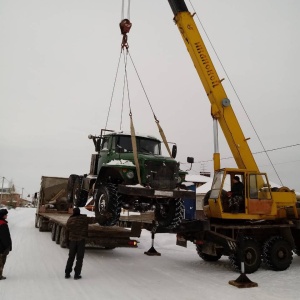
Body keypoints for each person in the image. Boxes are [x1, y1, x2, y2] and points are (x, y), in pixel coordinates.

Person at [64, 207, 108, 280]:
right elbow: (95, 219)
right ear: (79, 212)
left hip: (72, 241)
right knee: (79, 258)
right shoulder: (84, 219)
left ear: (74, 212)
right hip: (81, 241)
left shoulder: (70, 220)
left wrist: (67, 242)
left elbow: (66, 232)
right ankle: (77, 275)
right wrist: (105, 216)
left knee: (71, 257)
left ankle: (67, 273)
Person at [0, 209, 12, 280]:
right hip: (1, 248)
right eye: (6, 214)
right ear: (3, 216)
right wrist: (7, 247)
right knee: (1, 262)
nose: (6, 215)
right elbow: (5, 237)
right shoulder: (3, 224)